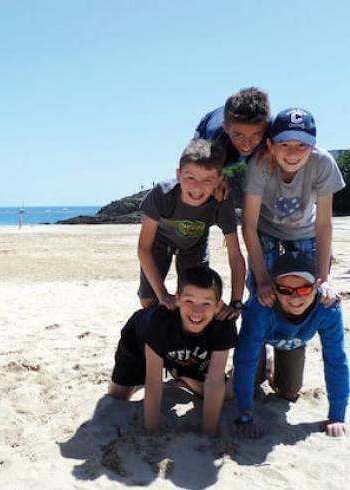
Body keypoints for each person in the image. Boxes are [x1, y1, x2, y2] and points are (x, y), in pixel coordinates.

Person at [109, 266, 237, 436]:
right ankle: (176, 369)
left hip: (186, 354)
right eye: (189, 301)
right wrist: (151, 433)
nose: (197, 311)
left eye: (206, 303)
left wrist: (209, 434)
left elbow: (214, 382)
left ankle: (181, 374)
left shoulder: (223, 324)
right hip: (139, 344)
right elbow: (153, 383)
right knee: (117, 398)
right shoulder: (160, 322)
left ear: (218, 306)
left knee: (226, 394)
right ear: (177, 299)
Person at [233, 252, 348, 438]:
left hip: (294, 342)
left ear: (317, 286)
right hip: (260, 339)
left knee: (289, 392)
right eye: (286, 290)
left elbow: (336, 361)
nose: (295, 298)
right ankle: (267, 357)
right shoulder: (259, 308)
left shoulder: (328, 308)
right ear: (274, 288)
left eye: (304, 289)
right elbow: (245, 360)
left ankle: (272, 362)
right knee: (246, 387)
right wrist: (245, 414)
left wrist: (337, 416)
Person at [242, 108, 345, 307]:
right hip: (267, 230)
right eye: (284, 144)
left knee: (317, 293)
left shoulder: (323, 162)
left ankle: (300, 335)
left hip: (307, 230)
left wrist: (324, 277)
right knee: (262, 295)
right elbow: (248, 225)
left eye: (301, 145)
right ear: (270, 145)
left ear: (313, 147)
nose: (292, 153)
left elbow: (324, 224)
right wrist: (262, 279)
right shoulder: (259, 164)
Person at [137, 138, 246, 320]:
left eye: (207, 180)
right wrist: (162, 294)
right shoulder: (162, 194)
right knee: (149, 299)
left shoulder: (221, 201)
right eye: (190, 178)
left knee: (195, 300)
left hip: (194, 246)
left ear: (219, 180)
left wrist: (236, 302)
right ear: (178, 175)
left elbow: (235, 255)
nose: (197, 187)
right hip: (159, 243)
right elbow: (143, 248)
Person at [194, 87, 271, 204]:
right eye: (238, 135)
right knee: (200, 173)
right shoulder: (214, 141)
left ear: (265, 128)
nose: (246, 144)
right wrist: (216, 176)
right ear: (226, 128)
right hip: (215, 137)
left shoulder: (273, 133)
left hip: (254, 146)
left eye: (256, 134)